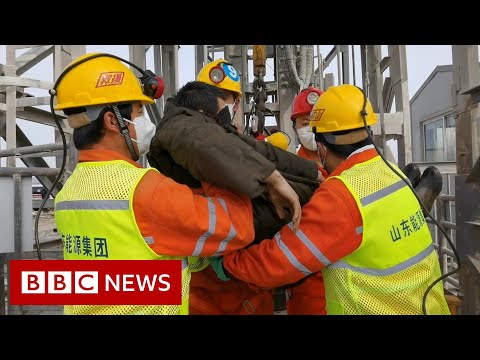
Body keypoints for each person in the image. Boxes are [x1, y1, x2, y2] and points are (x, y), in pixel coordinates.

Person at [210, 84, 451, 315]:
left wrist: (230, 265)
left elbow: (280, 261)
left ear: (322, 149)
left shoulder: (342, 194)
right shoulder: (392, 173)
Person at [52, 53, 257, 315]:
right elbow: (238, 227)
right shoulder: (145, 190)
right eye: (139, 112)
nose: (147, 123)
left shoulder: (68, 194)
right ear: (113, 121)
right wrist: (213, 163)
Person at [147, 79, 321, 315]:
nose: (232, 111)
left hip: (245, 290)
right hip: (211, 289)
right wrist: (274, 179)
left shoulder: (215, 136)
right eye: (226, 105)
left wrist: (312, 175)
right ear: (201, 112)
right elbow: (203, 141)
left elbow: (260, 152)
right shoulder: (184, 130)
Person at [286, 86, 328, 315]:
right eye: (304, 123)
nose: (310, 129)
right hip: (304, 278)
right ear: (294, 128)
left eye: (315, 121)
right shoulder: (288, 169)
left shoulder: (343, 167)